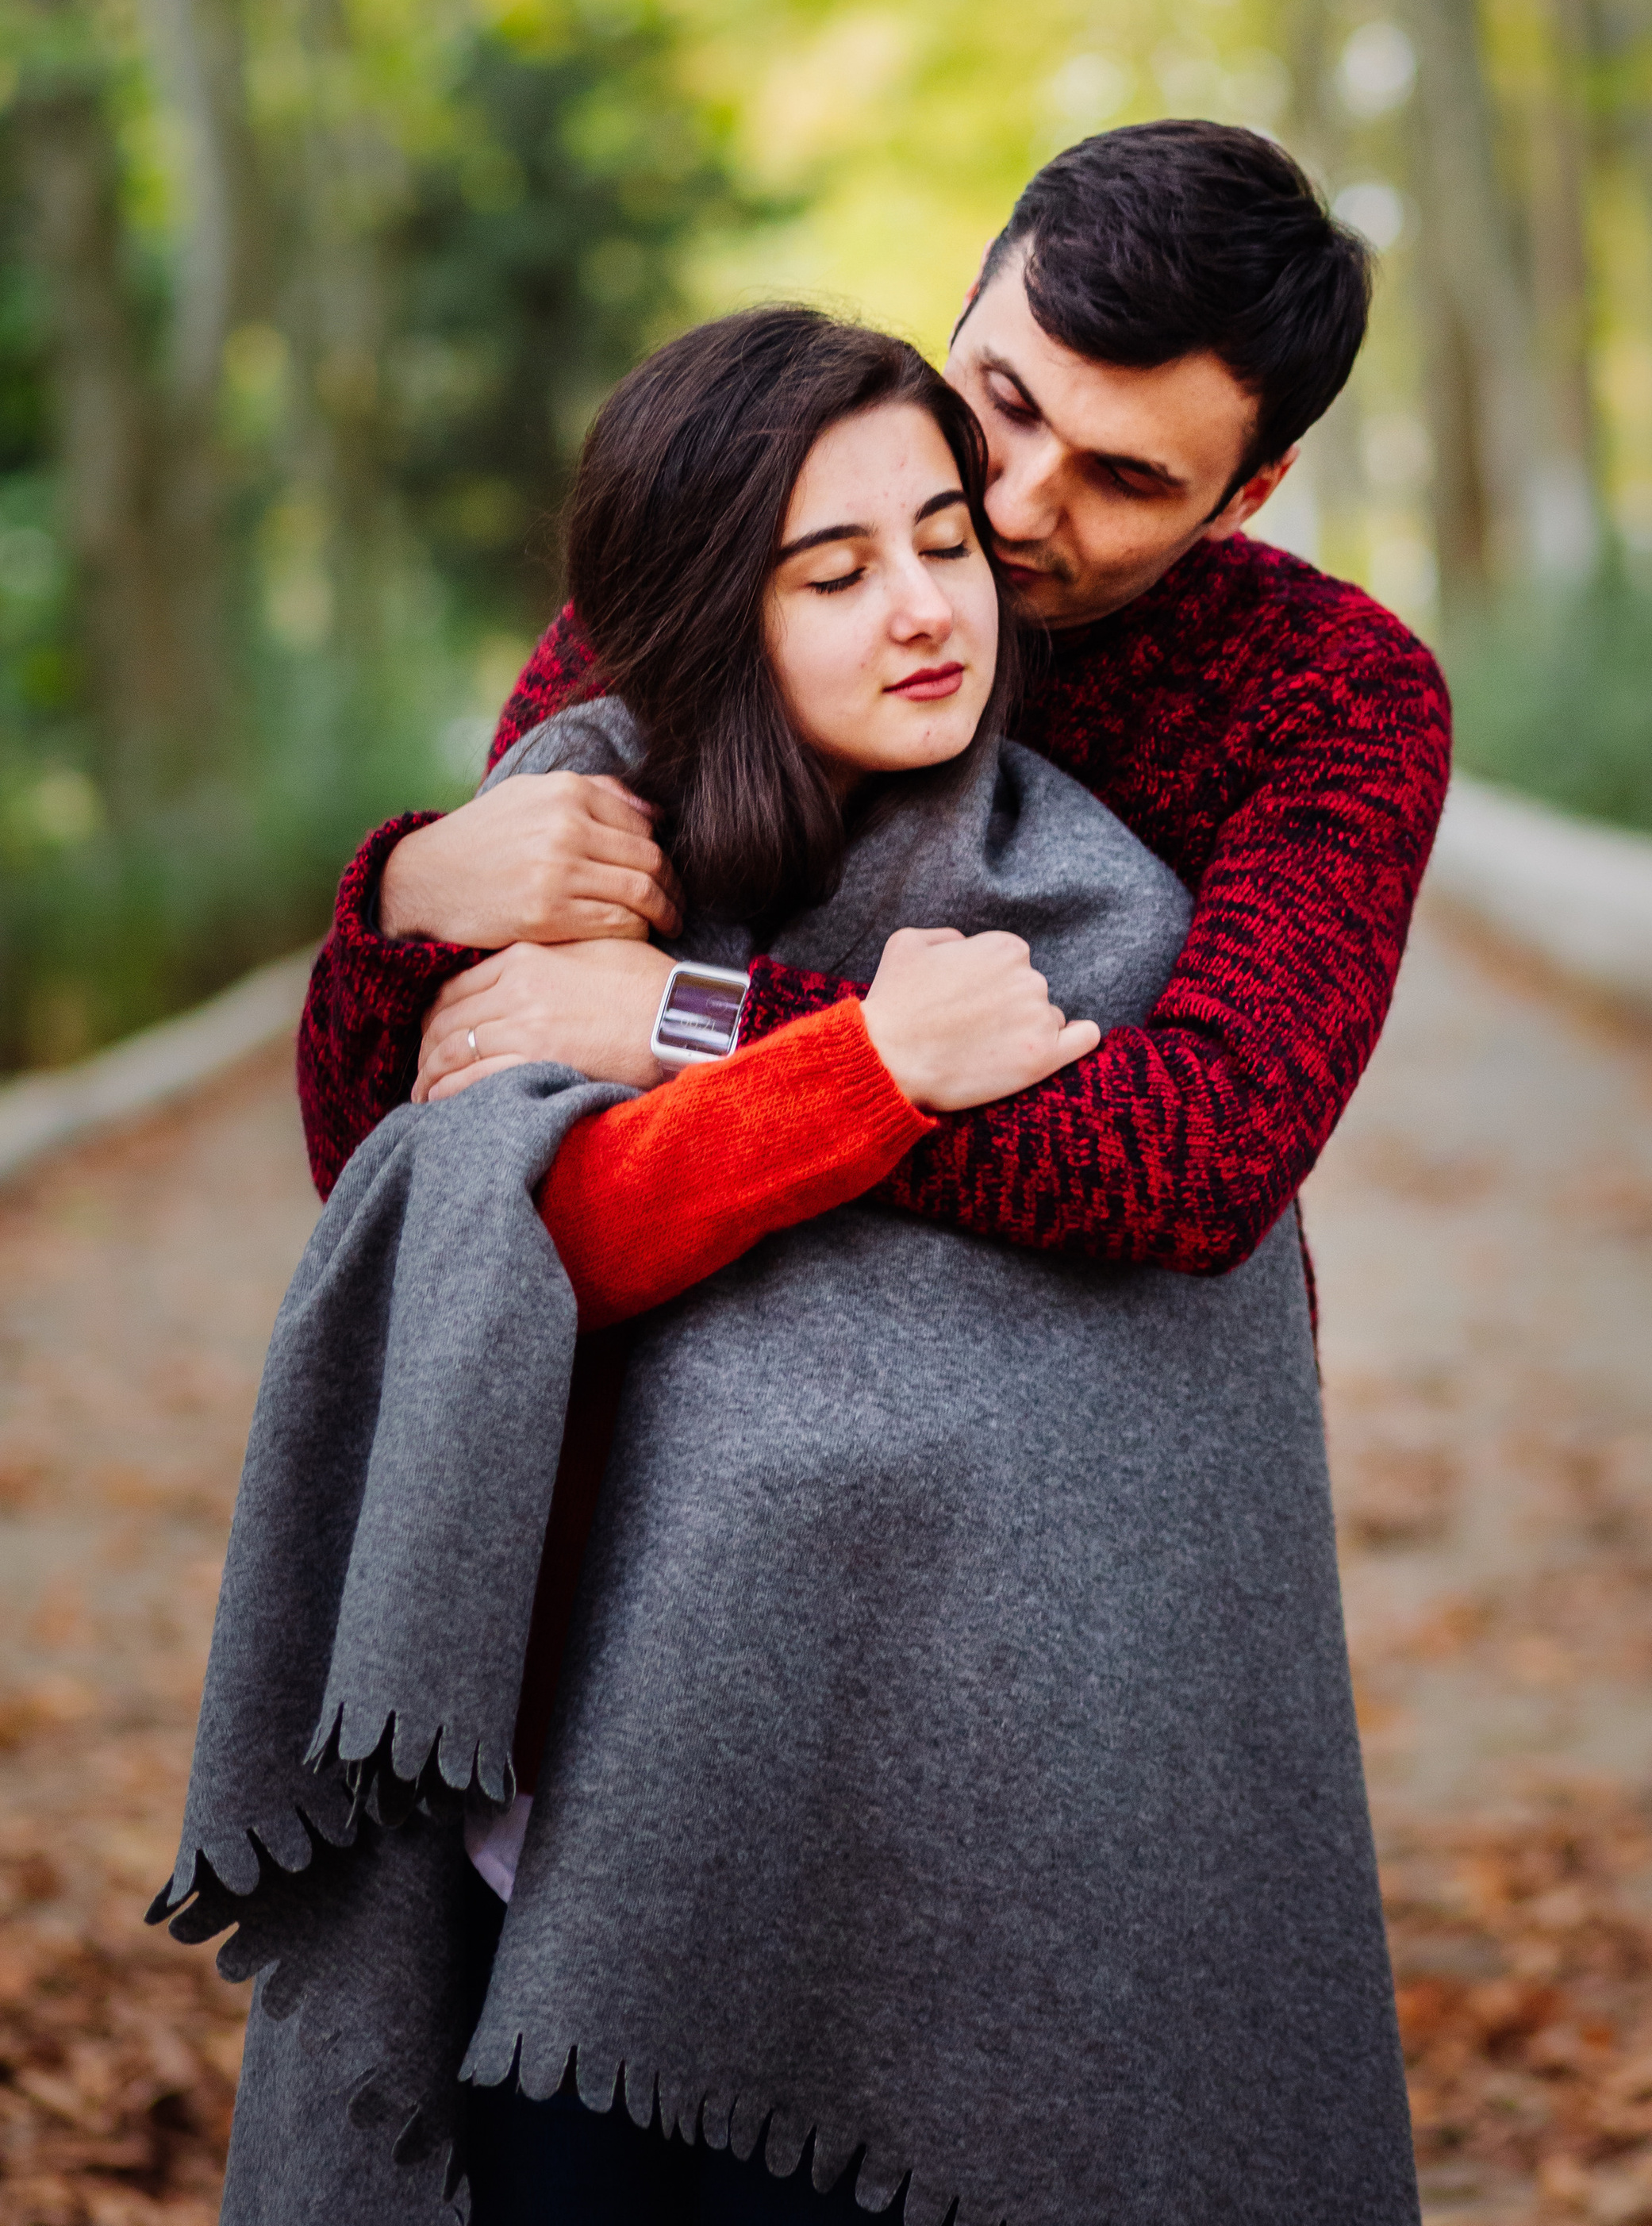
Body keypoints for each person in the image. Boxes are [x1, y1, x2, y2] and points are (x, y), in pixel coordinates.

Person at [167, 308, 1421, 2226]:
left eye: (946, 539)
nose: (962, 570)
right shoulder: (596, 798)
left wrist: (737, 1040)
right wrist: (410, 890)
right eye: (836, 573)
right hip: (609, 1788)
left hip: (1025, 1779)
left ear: (1245, 493)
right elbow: (438, 1214)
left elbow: (1187, 1167)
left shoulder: (1117, 895)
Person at [294, 121, 1454, 1300]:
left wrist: (691, 1020)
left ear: (1247, 494)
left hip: (1110, 1392)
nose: (1015, 505)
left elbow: (1209, 1153)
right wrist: (405, 896)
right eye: (1008, 402)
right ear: (970, 301)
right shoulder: (730, 567)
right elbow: (396, 1172)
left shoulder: (1334, 689)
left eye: (1125, 478)